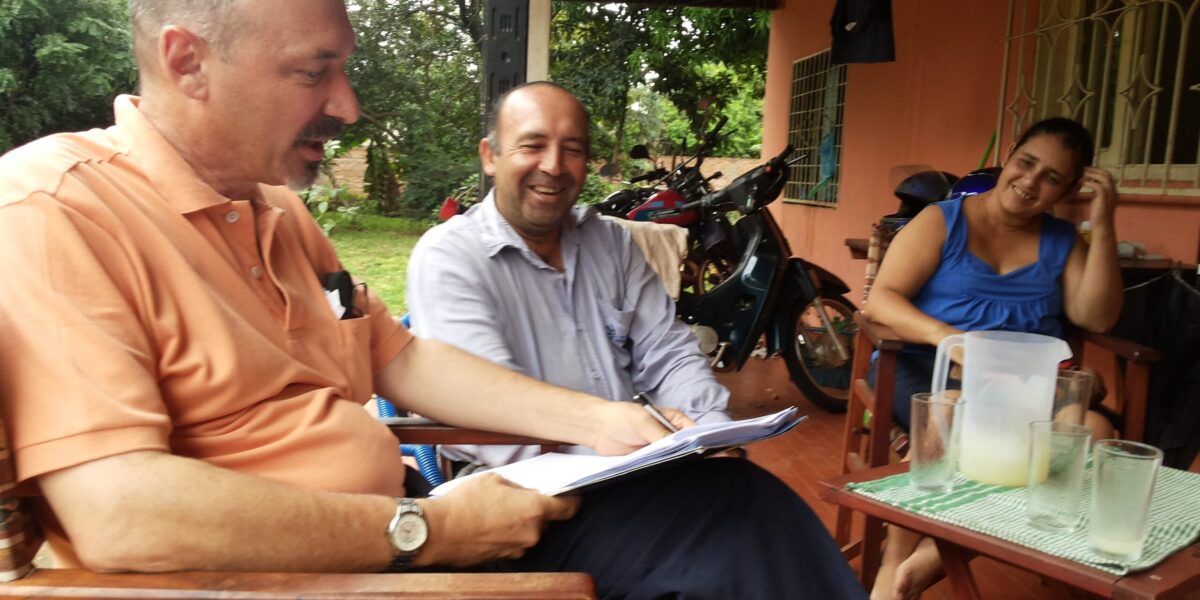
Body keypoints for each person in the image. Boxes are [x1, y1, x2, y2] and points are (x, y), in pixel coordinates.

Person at [0, 1, 865, 597]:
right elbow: (118, 515)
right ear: (188, 61)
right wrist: (426, 530)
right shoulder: (54, 210)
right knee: (725, 545)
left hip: (396, 529)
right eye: (315, 71)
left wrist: (599, 422)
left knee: (733, 508)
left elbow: (397, 355)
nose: (347, 103)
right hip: (306, 577)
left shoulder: (275, 211)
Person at [406, 81, 730, 469]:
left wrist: (710, 435)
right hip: (514, 493)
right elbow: (494, 423)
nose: (554, 166)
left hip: (637, 470)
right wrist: (634, 457)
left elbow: (669, 354)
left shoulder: (612, 244)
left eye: (572, 149)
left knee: (761, 501)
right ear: (490, 156)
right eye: (532, 145)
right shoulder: (451, 257)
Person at [863, 117, 1122, 600]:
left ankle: (926, 564)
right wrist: (951, 340)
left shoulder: (1062, 240)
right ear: (1009, 155)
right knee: (948, 414)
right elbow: (882, 300)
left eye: (1052, 178)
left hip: (1023, 380)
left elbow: (1098, 316)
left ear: (1068, 190)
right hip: (927, 363)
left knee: (1092, 431)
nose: (1030, 183)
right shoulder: (942, 220)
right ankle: (892, 567)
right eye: (1026, 163)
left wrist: (1104, 222)